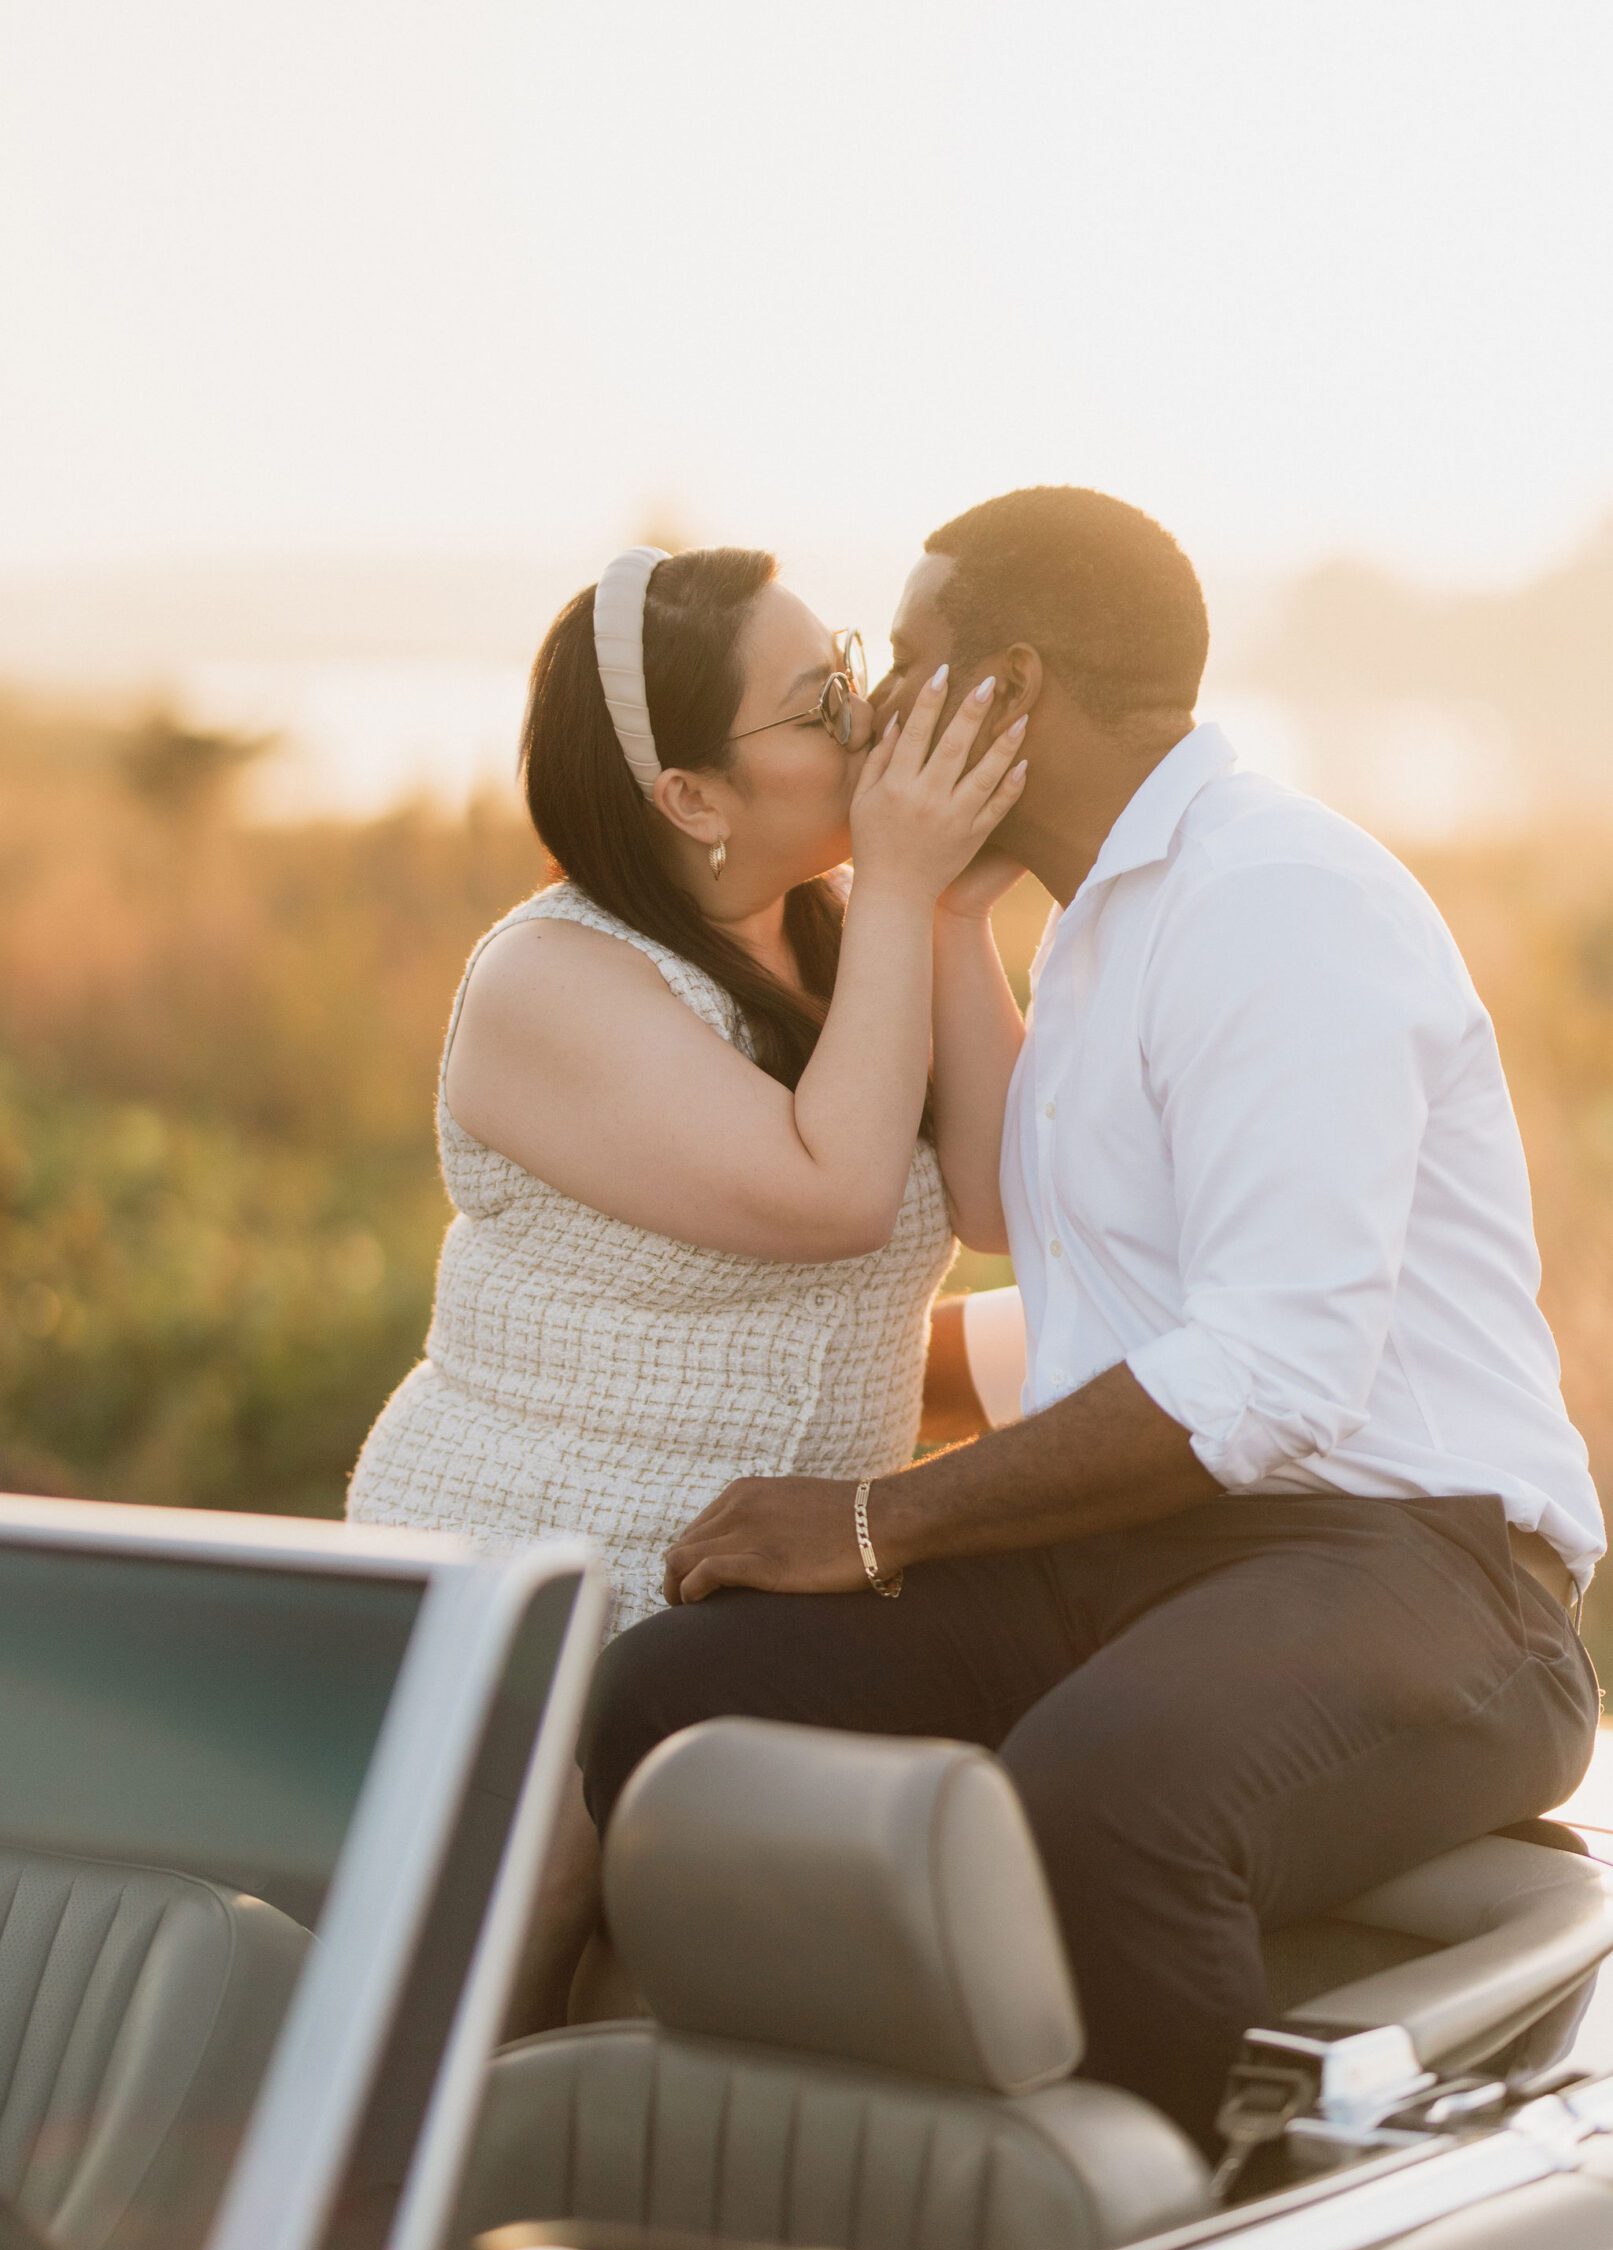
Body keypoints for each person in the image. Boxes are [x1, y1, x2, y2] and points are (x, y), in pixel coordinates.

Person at [579, 486, 1606, 2155]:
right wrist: (784, 1392)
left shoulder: (1276, 903)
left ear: (1011, 687)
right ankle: (875, 2166)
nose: (873, 714)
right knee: (673, 1691)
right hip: (1163, 1536)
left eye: (902, 667)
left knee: (1102, 1810)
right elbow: (1113, 1320)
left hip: (1427, 1566)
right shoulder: (1096, 921)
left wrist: (873, 1519)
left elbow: (1267, 1375)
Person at [347, 541, 1026, 2015]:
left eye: (846, 669)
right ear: (691, 798)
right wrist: (905, 889)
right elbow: (833, 1194)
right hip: (540, 1581)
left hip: (751, 1590)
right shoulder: (552, 981)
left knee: (642, 2038)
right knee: (461, 2020)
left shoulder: (851, 937)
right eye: (816, 705)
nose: (868, 718)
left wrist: (955, 916)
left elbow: (995, 1198)